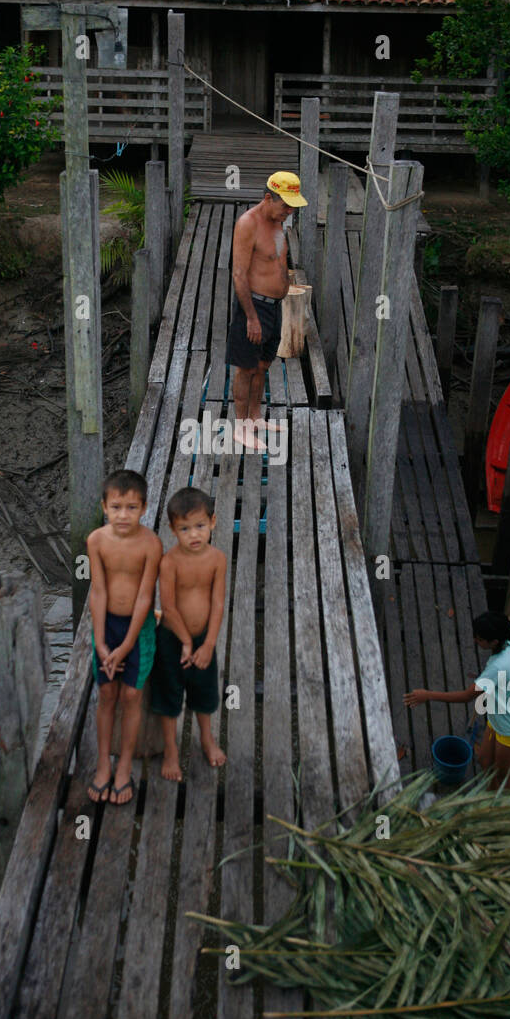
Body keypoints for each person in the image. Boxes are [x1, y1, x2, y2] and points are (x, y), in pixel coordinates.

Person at [86, 469, 162, 805]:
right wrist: (101, 642)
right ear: (104, 506)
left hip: (138, 629)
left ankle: (125, 764)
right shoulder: (96, 541)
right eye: (116, 507)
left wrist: (128, 644)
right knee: (107, 692)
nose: (123, 515)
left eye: (131, 508)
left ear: (144, 508)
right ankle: (104, 762)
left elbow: (146, 597)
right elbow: (98, 591)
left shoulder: (151, 544)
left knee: (131, 695)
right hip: (106, 625)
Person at [225, 170, 308, 450]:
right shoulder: (248, 223)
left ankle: (255, 416)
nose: (288, 211)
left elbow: (276, 261)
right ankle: (241, 427)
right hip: (254, 307)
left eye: (292, 206)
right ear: (267, 198)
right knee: (246, 369)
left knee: (263, 365)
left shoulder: (279, 222)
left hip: (276, 306)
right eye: (284, 205)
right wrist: (251, 318)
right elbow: (238, 274)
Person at [403, 612, 510, 790]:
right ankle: (490, 795)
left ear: (494, 642)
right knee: (485, 761)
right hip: (497, 718)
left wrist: (428, 695)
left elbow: (467, 696)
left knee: (504, 777)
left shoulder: (497, 666)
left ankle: (507, 810)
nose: (475, 641)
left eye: (479, 639)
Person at [149, 486, 227, 781]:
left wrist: (208, 644)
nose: (194, 535)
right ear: (172, 529)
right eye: (184, 528)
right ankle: (171, 749)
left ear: (213, 522)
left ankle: (206, 739)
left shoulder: (217, 559)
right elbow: (167, 607)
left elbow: (218, 603)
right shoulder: (169, 563)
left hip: (203, 639)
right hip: (171, 640)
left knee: (204, 693)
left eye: (200, 526)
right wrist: (184, 641)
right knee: (169, 696)